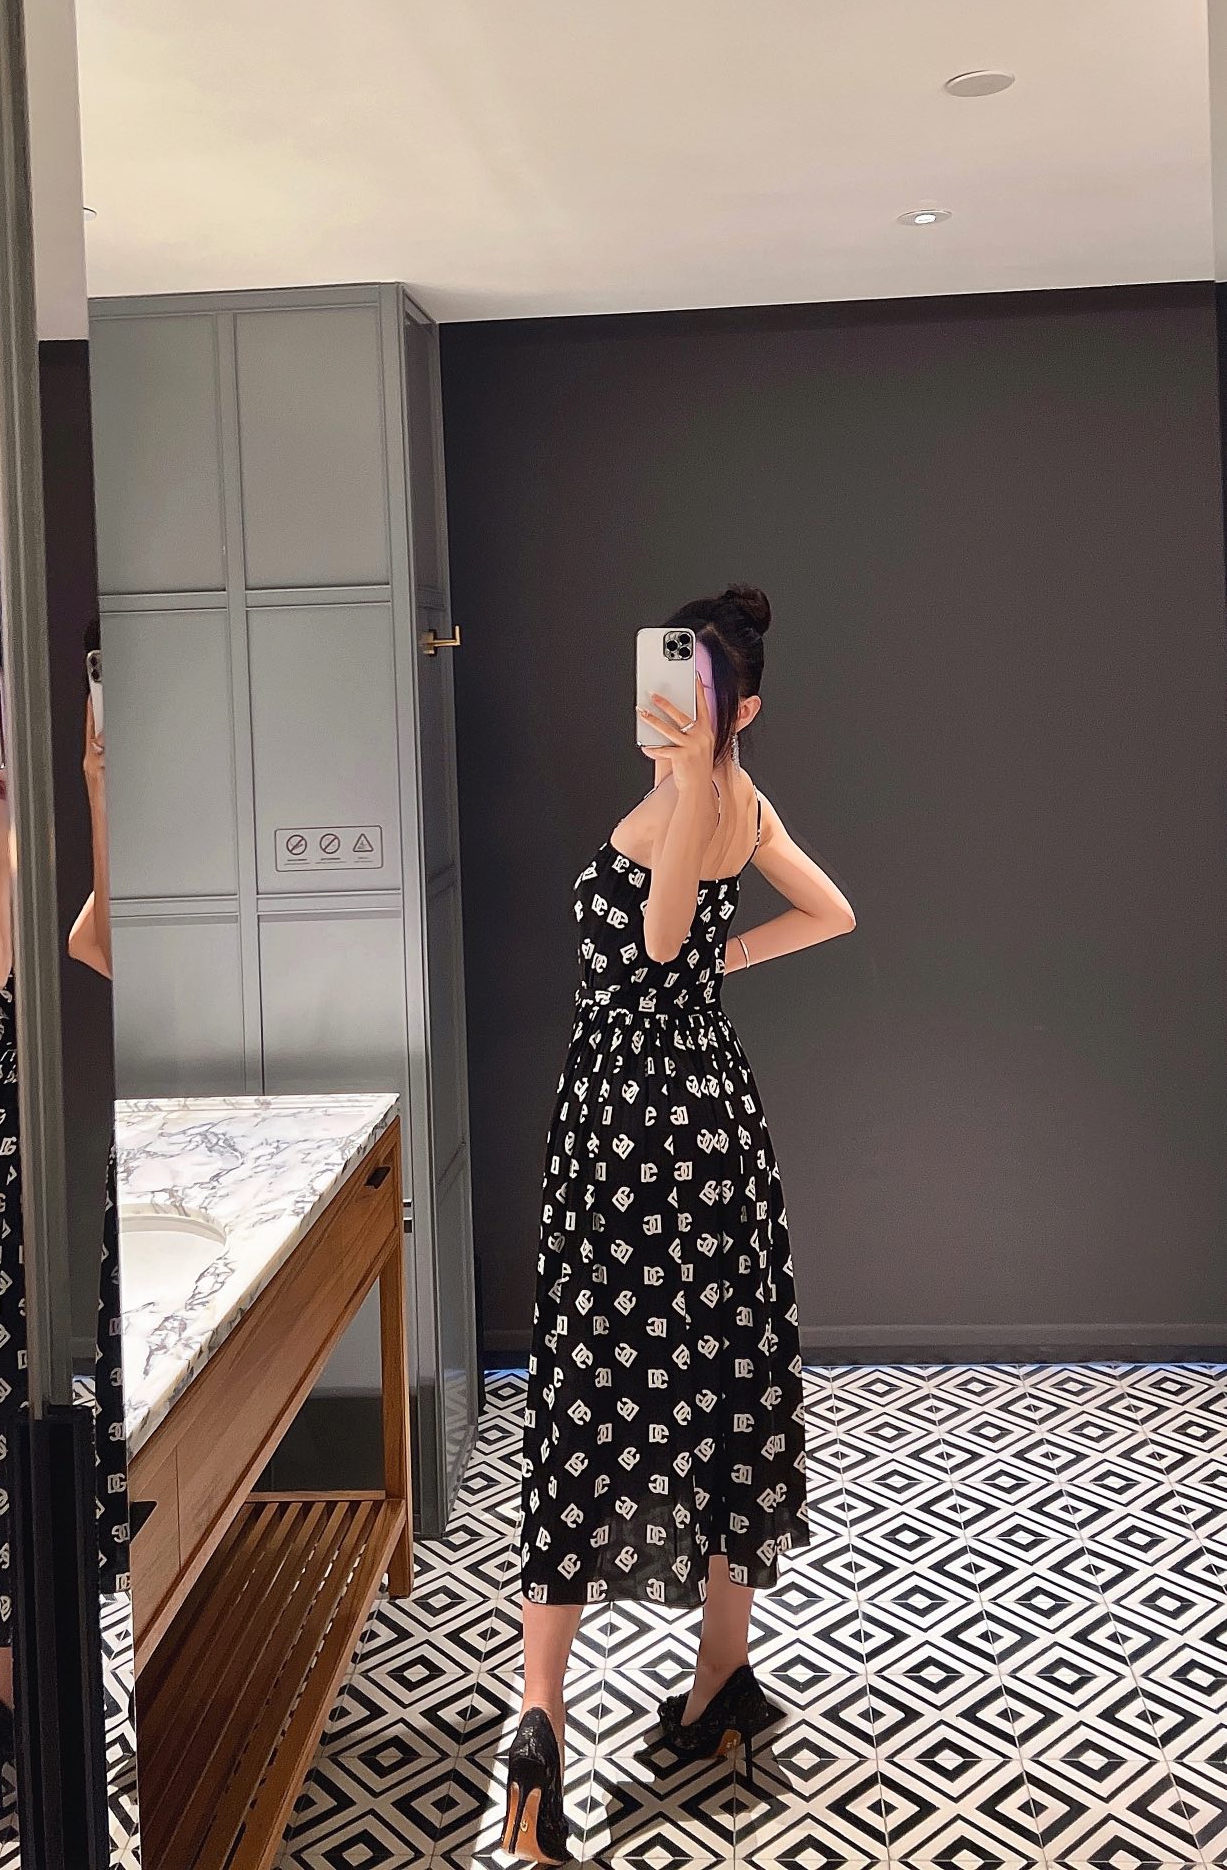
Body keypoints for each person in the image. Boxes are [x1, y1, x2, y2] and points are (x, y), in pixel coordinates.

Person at [502, 584, 857, 1864]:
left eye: (697, 688)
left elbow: (658, 943)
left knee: (590, 1394)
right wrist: (729, 957)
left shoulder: (703, 799)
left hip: (631, 1129)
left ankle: (541, 1720)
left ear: (736, 709)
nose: (669, 702)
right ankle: (719, 1684)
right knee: (721, 1388)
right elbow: (830, 910)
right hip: (696, 1120)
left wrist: (690, 781)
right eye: (668, 676)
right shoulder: (735, 803)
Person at [0, 614, 129, 1814]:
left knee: (66, 1398)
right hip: (11, 1134)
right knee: (7, 1401)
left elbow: (95, 946)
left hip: (80, 1130)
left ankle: (45, 1673)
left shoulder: (74, 793)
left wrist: (100, 790)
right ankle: (17, 1690)